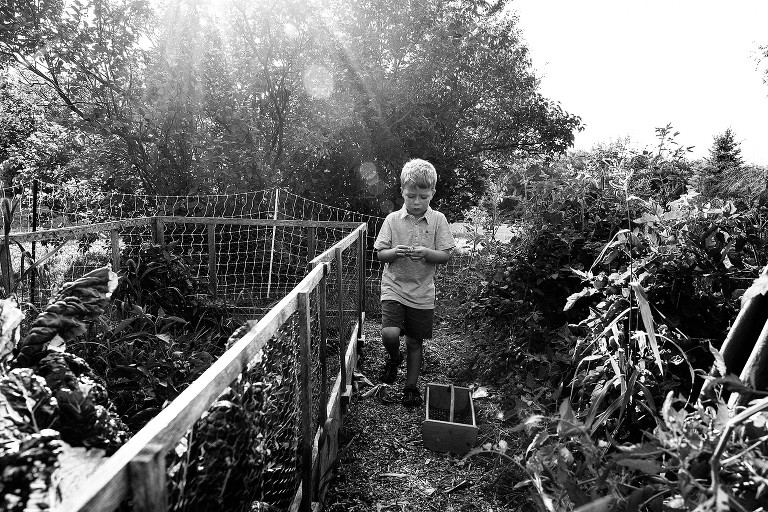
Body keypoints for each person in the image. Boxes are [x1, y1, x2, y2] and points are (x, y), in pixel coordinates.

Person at [373, 159, 456, 407]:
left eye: (423, 196)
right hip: (394, 286)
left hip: (422, 291)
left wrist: (427, 253)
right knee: (390, 333)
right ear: (402, 193)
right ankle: (393, 357)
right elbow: (380, 254)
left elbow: (447, 254)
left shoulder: (439, 220)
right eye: (411, 196)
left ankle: (411, 386)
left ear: (432, 193)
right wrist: (395, 251)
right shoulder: (392, 220)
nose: (417, 202)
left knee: (414, 342)